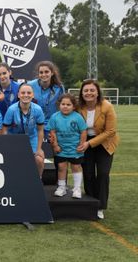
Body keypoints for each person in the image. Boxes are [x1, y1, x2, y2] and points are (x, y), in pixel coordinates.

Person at [77, 79, 119, 219]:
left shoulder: (107, 106)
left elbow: (111, 131)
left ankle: (100, 206)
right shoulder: (78, 107)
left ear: (97, 92)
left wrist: (90, 143)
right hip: (85, 142)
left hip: (105, 143)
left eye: (92, 90)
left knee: (103, 174)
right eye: (86, 90)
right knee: (88, 174)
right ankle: (91, 204)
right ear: (82, 93)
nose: (89, 93)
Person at [48, 94, 87, 199]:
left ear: (74, 106)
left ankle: (77, 188)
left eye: (68, 104)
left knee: (76, 167)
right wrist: (55, 145)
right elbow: (52, 131)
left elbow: (83, 131)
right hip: (61, 149)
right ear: (59, 105)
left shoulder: (77, 117)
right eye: (63, 104)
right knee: (61, 167)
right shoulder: (55, 117)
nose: (65, 106)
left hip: (75, 149)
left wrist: (82, 144)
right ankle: (62, 187)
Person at [2, 83, 46, 177]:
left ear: (33, 95)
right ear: (18, 95)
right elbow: (5, 130)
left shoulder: (38, 109)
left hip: (31, 137)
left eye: (29, 93)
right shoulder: (12, 109)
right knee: (11, 160)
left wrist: (39, 149)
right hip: (14, 139)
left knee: (39, 159)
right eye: (23, 93)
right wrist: (6, 146)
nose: (26, 95)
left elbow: (40, 130)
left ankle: (38, 180)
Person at [28, 61, 65, 134]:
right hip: (34, 125)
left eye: (46, 72)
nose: (43, 74)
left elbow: (63, 106)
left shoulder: (59, 87)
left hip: (52, 126)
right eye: (41, 72)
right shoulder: (30, 85)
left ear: (52, 73)